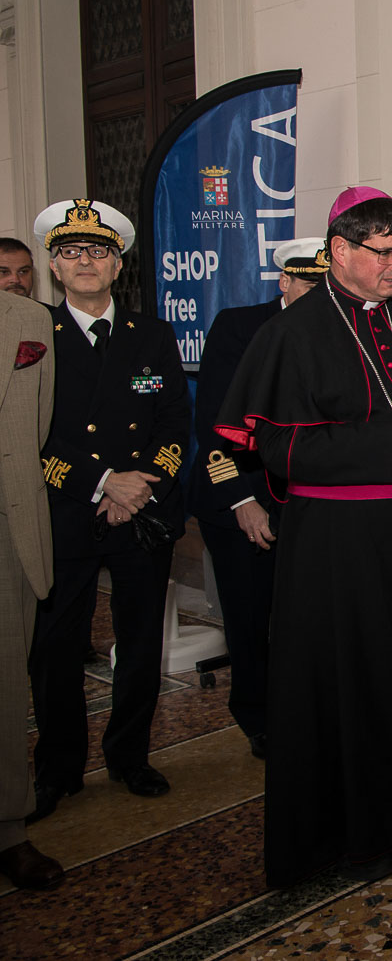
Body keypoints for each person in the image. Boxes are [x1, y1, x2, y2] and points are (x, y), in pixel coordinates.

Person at [214, 188, 392, 887]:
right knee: (358, 682)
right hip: (339, 543)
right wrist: (389, 439)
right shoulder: (291, 334)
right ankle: (363, 832)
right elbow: (275, 447)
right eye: (385, 254)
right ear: (340, 251)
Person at [28, 199, 189, 821]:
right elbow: (31, 433)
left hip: (142, 514)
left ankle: (129, 755)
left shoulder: (151, 334)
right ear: (54, 265)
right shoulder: (34, 335)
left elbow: (176, 418)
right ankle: (58, 768)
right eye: (71, 252)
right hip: (67, 512)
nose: (85, 262)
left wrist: (144, 485)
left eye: (98, 251)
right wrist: (102, 483)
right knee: (56, 648)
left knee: (141, 640)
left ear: (117, 264)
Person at [189, 238, 327, 760]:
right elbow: (216, 426)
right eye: (308, 282)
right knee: (249, 620)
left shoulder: (343, 329)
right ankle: (257, 716)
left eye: (325, 281)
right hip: (243, 502)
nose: (318, 292)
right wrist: (241, 501)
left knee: (305, 617)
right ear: (284, 281)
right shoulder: (240, 327)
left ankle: (304, 710)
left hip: (311, 502)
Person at [0, 289, 63, 889]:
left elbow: (39, 426)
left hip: (8, 529)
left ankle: (9, 830)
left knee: (5, 690)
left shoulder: (27, 319)